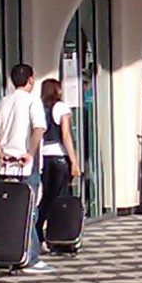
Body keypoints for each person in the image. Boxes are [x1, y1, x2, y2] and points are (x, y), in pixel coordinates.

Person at [0, 61, 47, 267]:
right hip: (25, 165)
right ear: (30, 80)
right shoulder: (32, 101)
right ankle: (31, 257)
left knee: (9, 211)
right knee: (30, 208)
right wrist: (30, 152)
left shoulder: (2, 102)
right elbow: (39, 128)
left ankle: (10, 252)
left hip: (5, 165)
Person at [37, 75, 80, 236]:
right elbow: (66, 135)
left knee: (47, 196)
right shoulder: (61, 107)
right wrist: (74, 161)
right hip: (59, 156)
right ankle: (59, 234)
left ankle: (39, 231)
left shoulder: (40, 108)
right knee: (60, 197)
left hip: (45, 156)